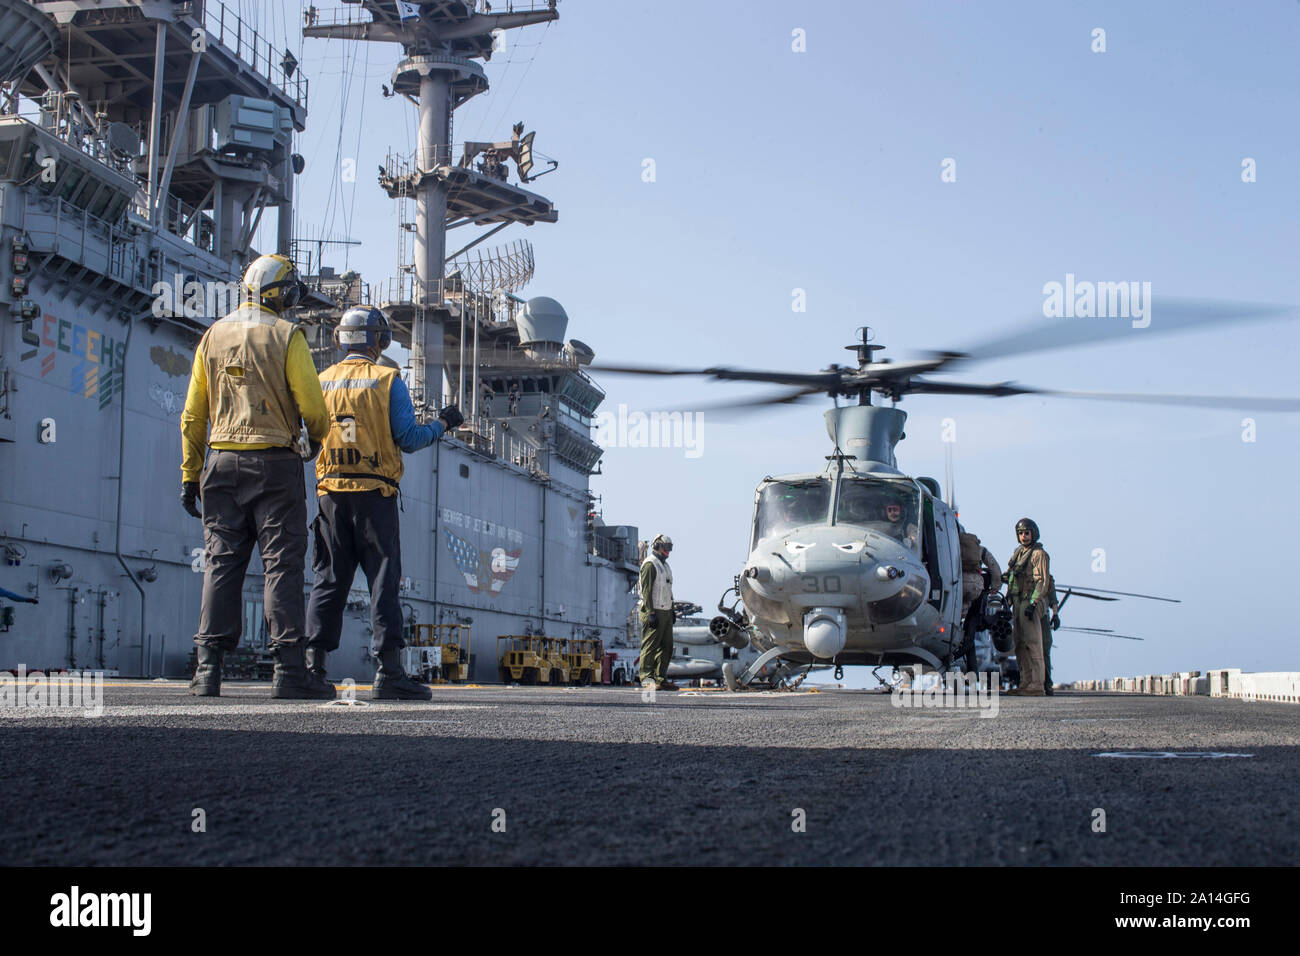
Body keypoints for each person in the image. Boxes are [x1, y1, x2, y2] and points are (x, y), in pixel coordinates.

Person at [180, 253, 330, 698]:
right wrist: (316, 441)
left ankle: (207, 670)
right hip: (275, 465)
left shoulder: (212, 336)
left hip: (221, 464)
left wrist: (190, 475)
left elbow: (193, 415)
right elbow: (313, 406)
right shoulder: (287, 335)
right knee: (281, 565)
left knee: (221, 562)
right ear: (282, 294)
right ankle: (288, 673)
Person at [305, 307, 463, 700]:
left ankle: (312, 668)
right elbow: (409, 438)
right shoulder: (386, 379)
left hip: (330, 497)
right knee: (382, 583)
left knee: (327, 580)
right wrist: (443, 423)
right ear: (380, 341)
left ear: (341, 339)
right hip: (375, 496)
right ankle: (389, 673)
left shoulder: (321, 381)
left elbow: (307, 438)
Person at [1002, 517, 1050, 696]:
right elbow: (1013, 578)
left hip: (1029, 602)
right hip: (1017, 602)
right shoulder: (1018, 554)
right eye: (1020, 533)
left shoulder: (1039, 555)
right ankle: (1025, 682)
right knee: (1020, 644)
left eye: (1027, 533)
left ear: (1033, 534)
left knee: (1033, 643)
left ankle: (1037, 684)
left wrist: (1034, 602)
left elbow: (1042, 582)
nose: (1024, 536)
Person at [637, 533, 676, 691]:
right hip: (653, 611)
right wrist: (650, 613)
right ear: (657, 546)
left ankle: (660, 678)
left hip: (665, 610)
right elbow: (646, 591)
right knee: (650, 645)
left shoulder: (665, 566)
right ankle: (646, 677)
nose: (668, 551)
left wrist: (672, 610)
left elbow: (668, 590)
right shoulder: (650, 564)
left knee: (667, 645)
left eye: (669, 548)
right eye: (666, 548)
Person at [957, 524, 1000, 625]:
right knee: (969, 606)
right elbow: (995, 568)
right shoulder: (980, 549)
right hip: (975, 585)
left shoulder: (954, 546)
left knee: (958, 608)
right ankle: (966, 632)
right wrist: (995, 587)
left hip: (959, 582)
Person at [1040, 574, 1061, 695]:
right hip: (1026, 616)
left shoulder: (1046, 578)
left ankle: (1047, 684)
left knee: (1044, 650)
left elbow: (1053, 598)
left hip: (1042, 616)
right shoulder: (1020, 571)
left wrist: (1055, 614)